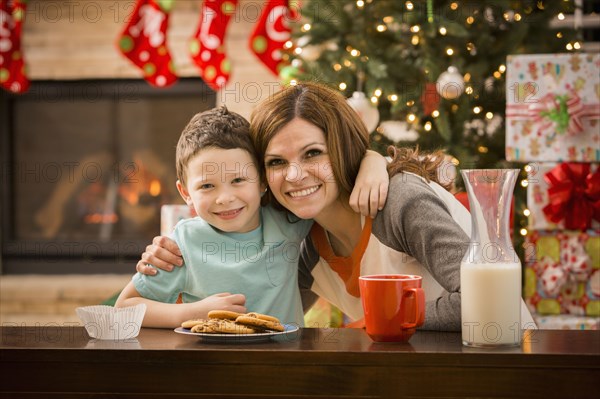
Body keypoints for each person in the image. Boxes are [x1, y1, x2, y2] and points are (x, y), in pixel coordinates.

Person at [138, 82, 535, 331]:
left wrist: (375, 325)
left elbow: (490, 305)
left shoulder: (400, 201)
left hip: (496, 368)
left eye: (313, 153)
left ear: (344, 148)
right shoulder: (302, 238)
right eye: (276, 162)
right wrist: (172, 254)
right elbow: (261, 309)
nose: (294, 176)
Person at [116, 105, 388, 328]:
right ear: (185, 192)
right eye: (207, 186)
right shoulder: (181, 245)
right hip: (211, 369)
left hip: (285, 365)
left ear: (262, 181)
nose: (225, 198)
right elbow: (124, 308)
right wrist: (194, 312)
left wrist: (373, 161)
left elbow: (331, 181)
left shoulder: (287, 220)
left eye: (238, 180)